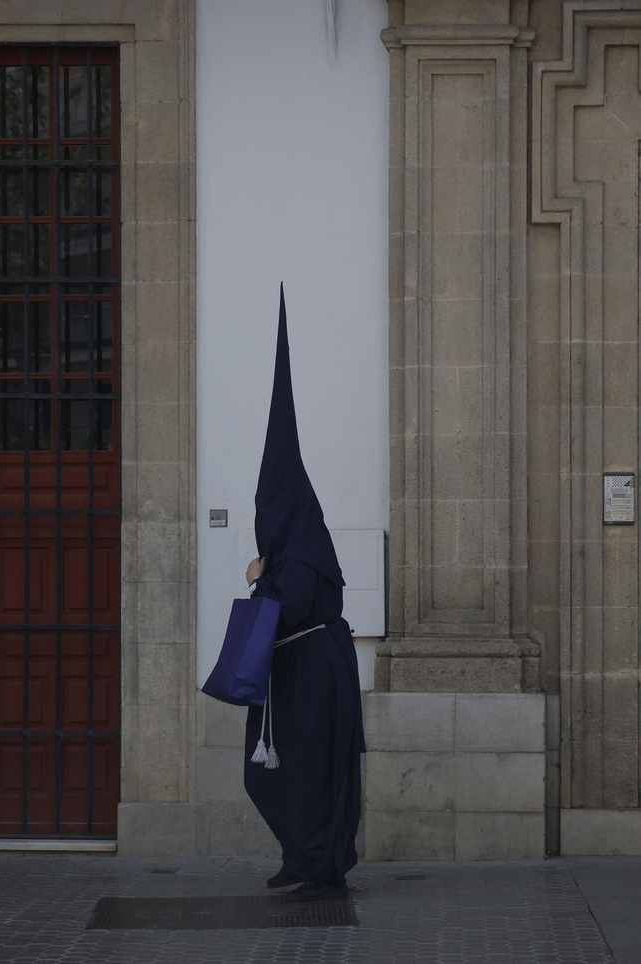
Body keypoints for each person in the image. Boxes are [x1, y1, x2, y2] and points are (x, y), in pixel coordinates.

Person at [241, 287, 365, 902]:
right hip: (304, 674)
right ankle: (309, 859)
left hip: (313, 678)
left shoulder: (300, 553)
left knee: (310, 771)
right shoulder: (299, 545)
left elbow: (286, 606)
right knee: (286, 773)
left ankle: (317, 863)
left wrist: (259, 576)